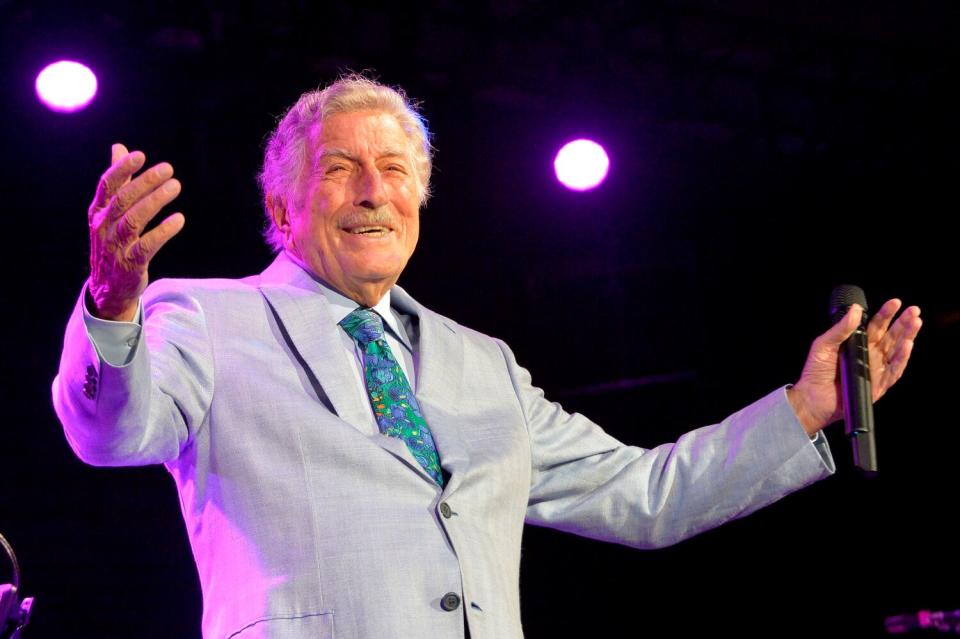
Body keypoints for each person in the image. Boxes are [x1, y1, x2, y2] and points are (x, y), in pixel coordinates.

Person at [53, 74, 922, 639]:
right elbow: (108, 430)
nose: (372, 192)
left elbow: (648, 495)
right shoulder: (204, 315)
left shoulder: (484, 363)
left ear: (420, 199)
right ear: (282, 208)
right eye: (340, 169)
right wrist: (111, 301)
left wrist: (808, 409)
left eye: (395, 170)